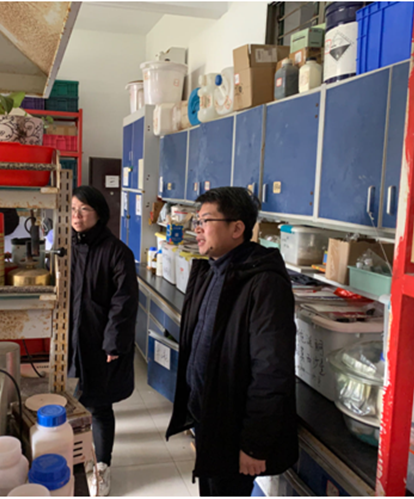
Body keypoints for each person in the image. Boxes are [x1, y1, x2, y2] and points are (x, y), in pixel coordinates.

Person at [166, 187, 298, 496]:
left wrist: (254, 445)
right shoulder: (212, 270)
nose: (197, 229)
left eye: (205, 221)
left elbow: (271, 370)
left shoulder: (264, 284)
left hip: (234, 426)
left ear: (237, 228)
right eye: (197, 221)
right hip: (208, 415)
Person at [69, 186, 138, 497]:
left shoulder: (117, 251)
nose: (77, 215)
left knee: (99, 403)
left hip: (99, 340)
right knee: (71, 400)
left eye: (84, 209)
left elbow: (124, 302)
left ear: (99, 214)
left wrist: (114, 342)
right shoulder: (66, 247)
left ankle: (102, 465)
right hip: (70, 337)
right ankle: (78, 457)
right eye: (73, 209)